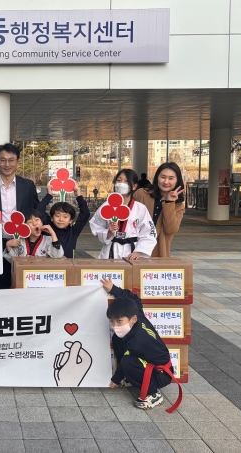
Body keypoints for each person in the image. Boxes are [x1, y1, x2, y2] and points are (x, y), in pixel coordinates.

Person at [102, 277, 182, 412]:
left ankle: (153, 394)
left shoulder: (139, 340)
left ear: (133, 319)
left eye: (119, 321)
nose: (115, 326)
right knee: (117, 338)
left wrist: (116, 379)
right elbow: (134, 299)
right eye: (112, 321)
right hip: (147, 361)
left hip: (161, 373)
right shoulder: (137, 314)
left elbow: (128, 357)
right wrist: (113, 289)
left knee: (127, 362)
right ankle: (131, 377)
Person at [0, 143, 40, 289]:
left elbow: (36, 212)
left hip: (24, 244)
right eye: (3, 160)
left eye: (11, 160)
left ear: (17, 162)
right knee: (1, 287)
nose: (7, 164)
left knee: (25, 285)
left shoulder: (28, 186)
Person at [89, 169, 156, 260]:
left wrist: (139, 251)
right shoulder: (106, 206)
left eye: (126, 181)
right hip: (111, 250)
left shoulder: (140, 208)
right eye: (119, 180)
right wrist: (108, 232)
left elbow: (149, 232)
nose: (121, 183)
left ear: (134, 186)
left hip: (132, 252)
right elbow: (96, 224)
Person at [134, 163, 185, 257]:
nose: (166, 182)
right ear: (157, 177)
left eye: (171, 178)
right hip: (134, 248)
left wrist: (169, 203)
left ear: (177, 180)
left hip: (159, 252)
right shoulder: (141, 194)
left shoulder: (178, 205)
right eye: (163, 177)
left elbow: (170, 230)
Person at [36, 183, 90, 258]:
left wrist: (79, 196)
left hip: (68, 263)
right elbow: (39, 211)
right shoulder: (48, 227)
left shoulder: (73, 230)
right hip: (48, 263)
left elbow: (85, 213)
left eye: (65, 217)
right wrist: (49, 195)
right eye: (57, 216)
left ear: (71, 220)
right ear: (52, 218)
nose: (61, 219)